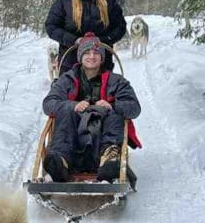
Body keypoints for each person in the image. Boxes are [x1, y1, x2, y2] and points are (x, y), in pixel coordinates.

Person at [42, 34, 141, 183]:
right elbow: (48, 104)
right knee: (65, 110)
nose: (92, 56)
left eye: (96, 53)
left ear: (102, 58)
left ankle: (110, 161)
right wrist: (73, 105)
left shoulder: (117, 81)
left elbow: (134, 108)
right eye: (87, 52)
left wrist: (112, 106)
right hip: (72, 146)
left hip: (101, 144)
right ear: (80, 56)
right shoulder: (66, 80)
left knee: (114, 112)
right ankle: (59, 162)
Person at [45, 0, 126, 74]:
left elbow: (120, 26)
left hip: (101, 64)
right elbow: (51, 26)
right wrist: (74, 40)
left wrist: (103, 40)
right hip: (70, 65)